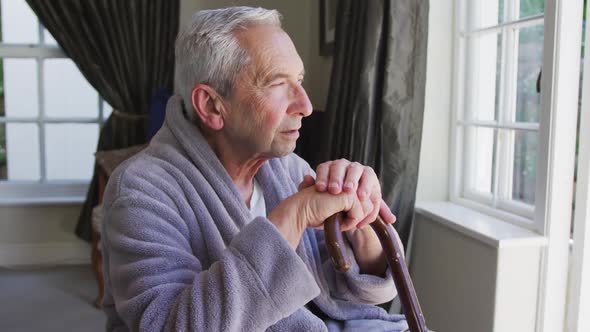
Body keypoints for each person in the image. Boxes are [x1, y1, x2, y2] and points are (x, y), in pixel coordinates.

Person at [101, 6, 408, 332]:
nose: (305, 105)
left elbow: (340, 294)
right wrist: (293, 217)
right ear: (212, 105)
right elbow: (171, 326)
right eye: (277, 83)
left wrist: (360, 224)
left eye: (299, 80)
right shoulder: (140, 190)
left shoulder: (289, 170)